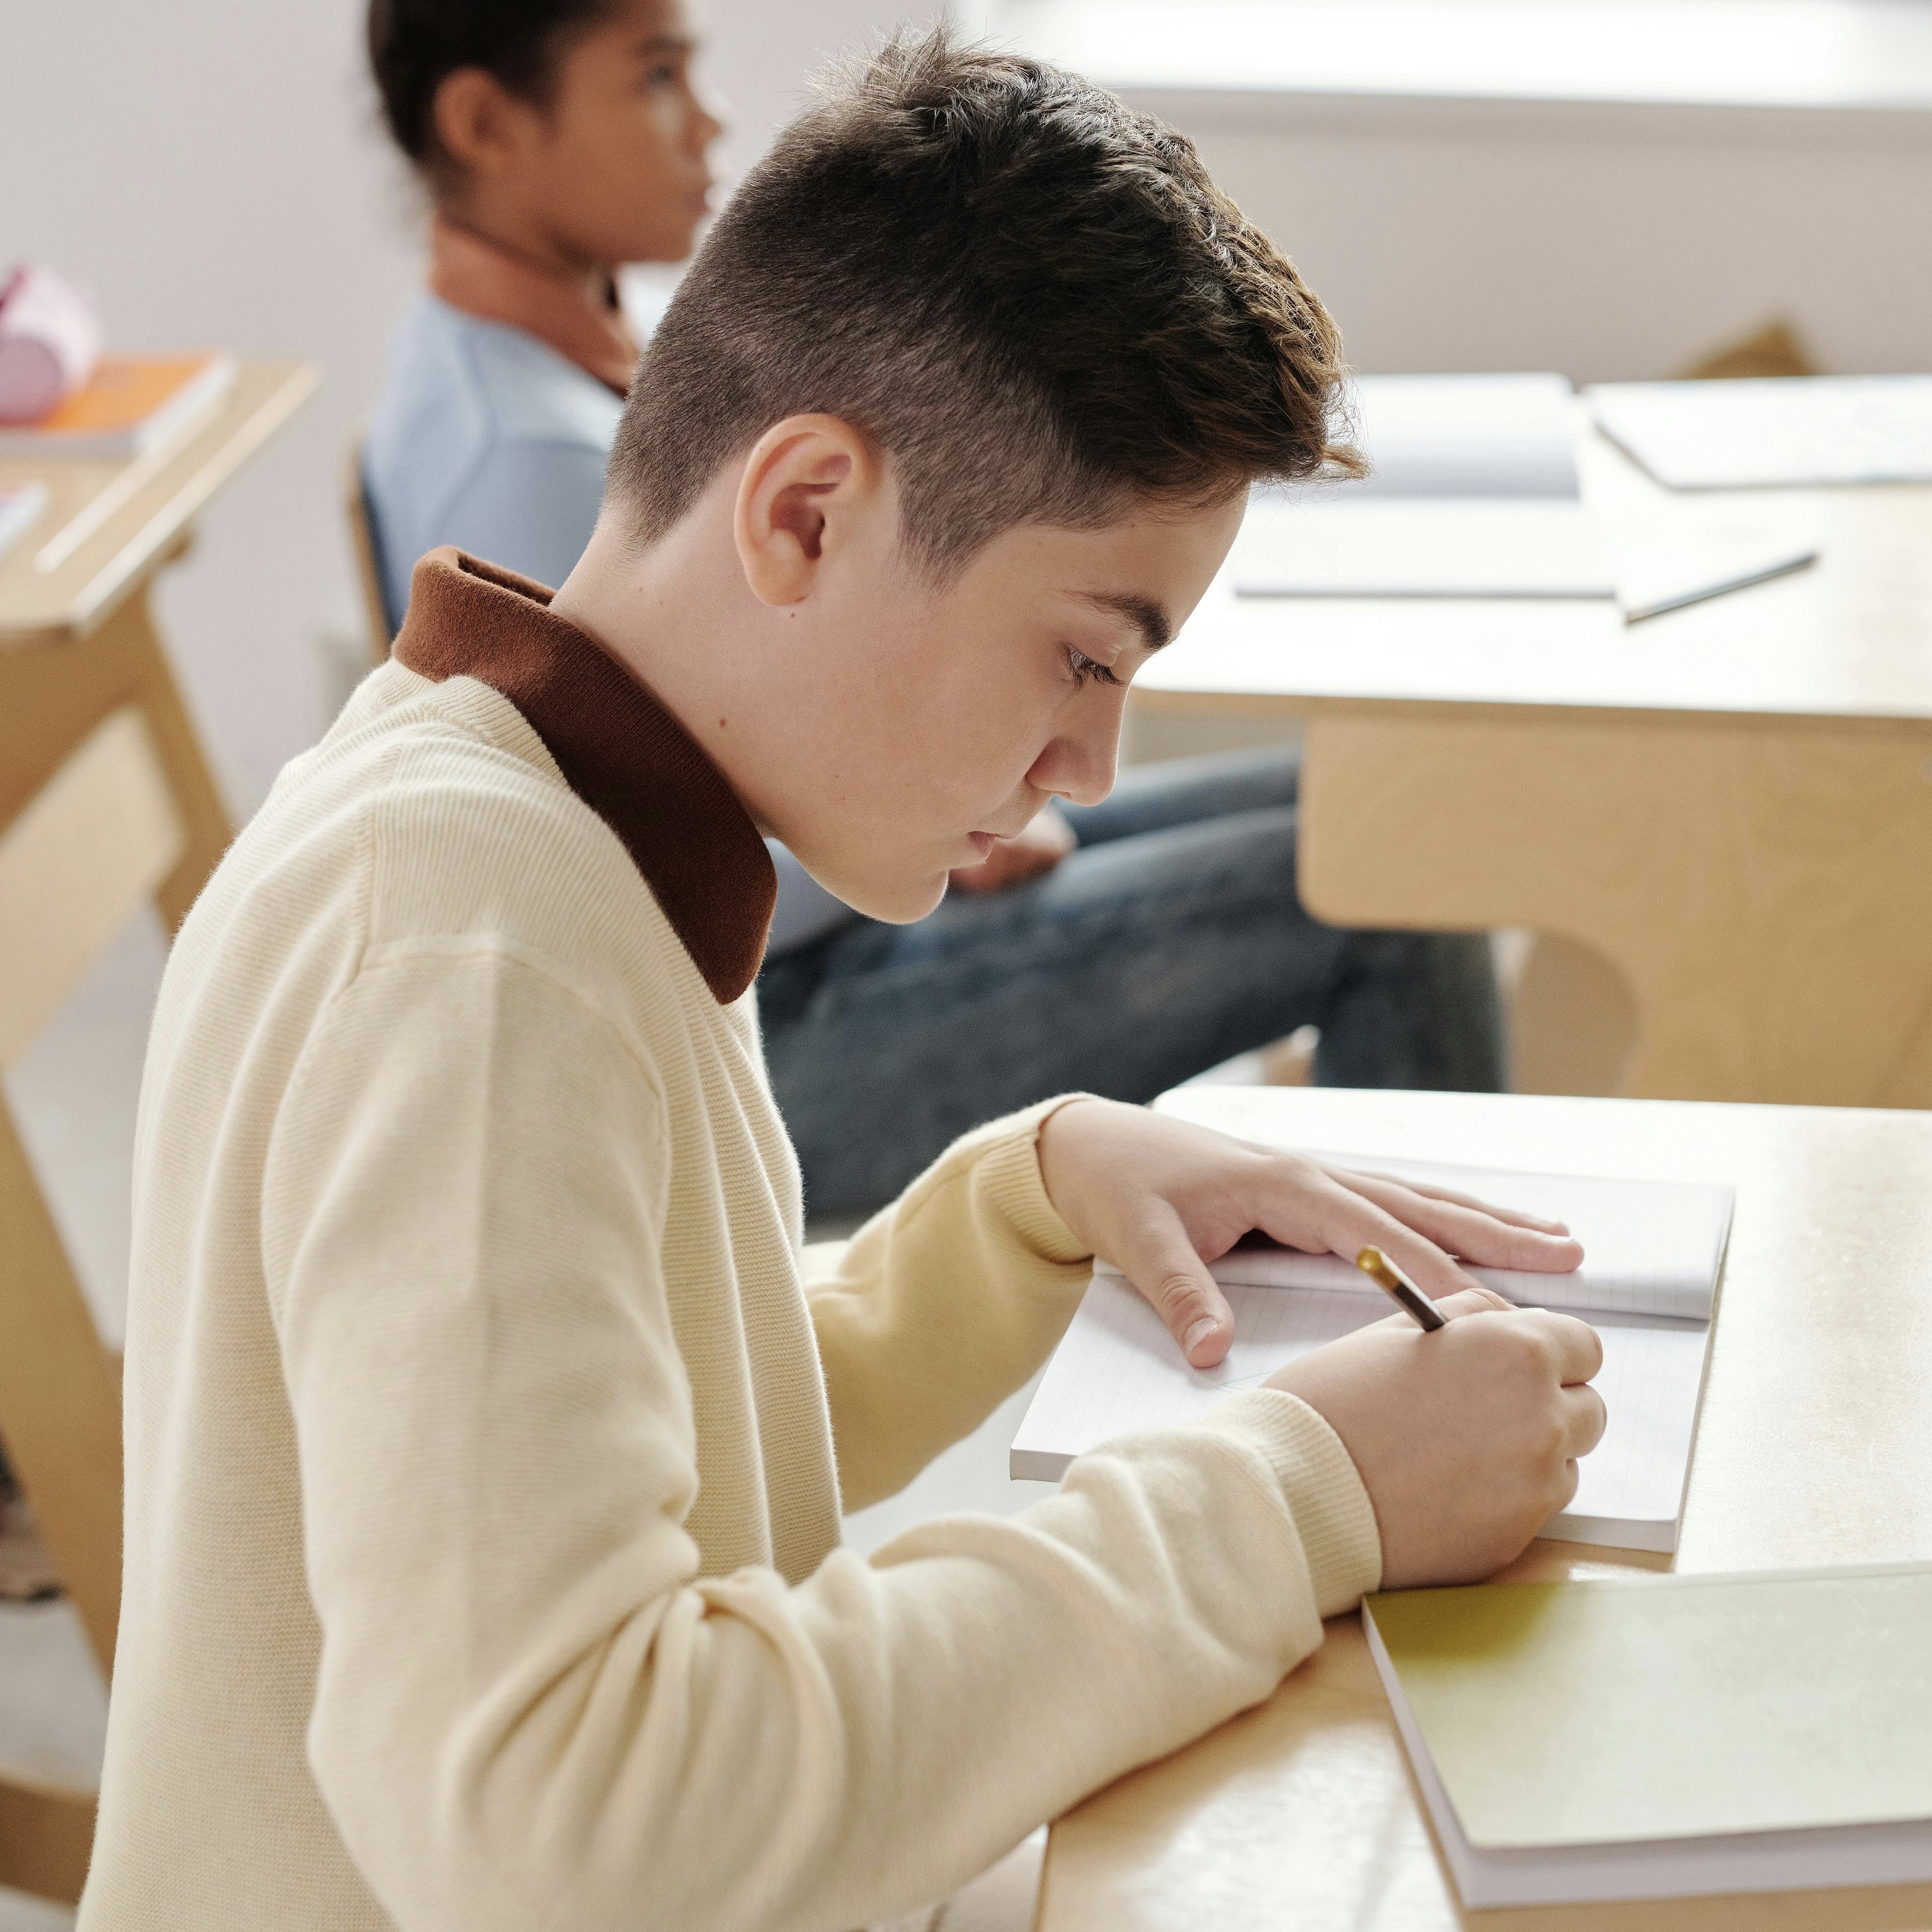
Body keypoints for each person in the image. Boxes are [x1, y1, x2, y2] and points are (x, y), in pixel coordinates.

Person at [79, 35, 1606, 1931]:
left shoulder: (564, 828)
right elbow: (572, 1832)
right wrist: (1297, 1498)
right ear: (804, 511)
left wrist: (1023, 1203)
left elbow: (644, 1419)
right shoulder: (472, 953)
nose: (1093, 764)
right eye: (1080, 656)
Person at [361, 0, 1506, 1219]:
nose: (708, 118)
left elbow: (758, 1400)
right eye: (1079, 658)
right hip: (810, 992)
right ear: (802, 515)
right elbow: (639, 803)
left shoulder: (582, 355)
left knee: (1381, 822)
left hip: (790, 933)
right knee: (1385, 887)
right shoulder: (516, 999)